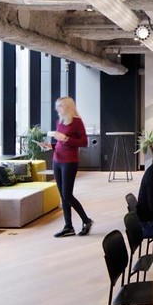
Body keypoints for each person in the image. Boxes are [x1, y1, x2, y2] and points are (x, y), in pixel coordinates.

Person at [39, 97, 94, 238]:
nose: (57, 108)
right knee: (63, 196)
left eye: (60, 106)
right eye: (57, 106)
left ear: (69, 107)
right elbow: (59, 144)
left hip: (69, 162)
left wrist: (66, 139)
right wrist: (50, 146)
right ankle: (68, 226)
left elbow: (84, 142)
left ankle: (86, 221)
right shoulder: (60, 122)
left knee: (67, 195)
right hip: (57, 160)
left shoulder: (76, 122)